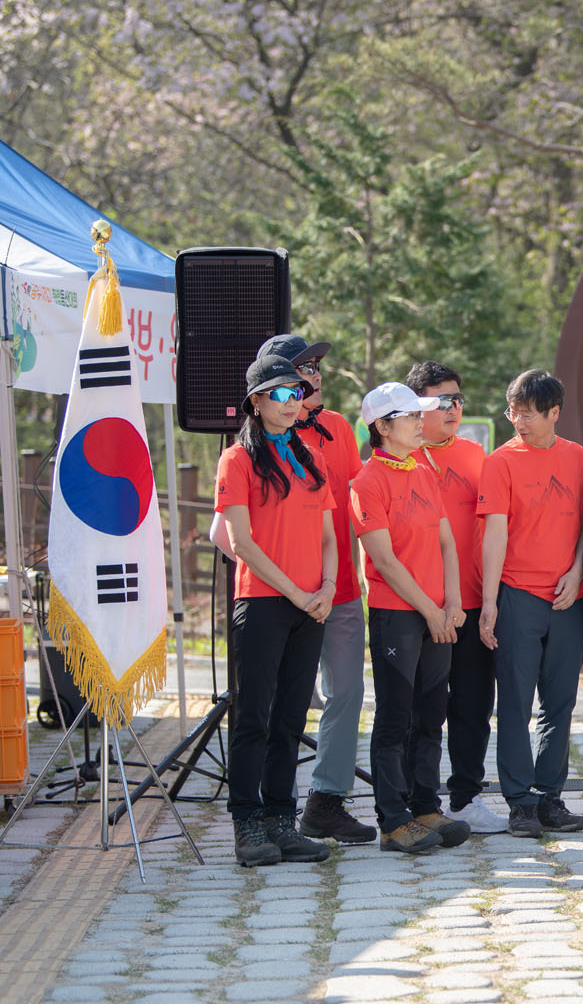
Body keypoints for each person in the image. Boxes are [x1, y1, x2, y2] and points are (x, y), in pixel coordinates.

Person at [214, 355, 337, 867]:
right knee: (254, 719)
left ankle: (282, 822)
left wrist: (328, 586)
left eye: (297, 392)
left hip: (311, 605)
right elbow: (241, 543)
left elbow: (329, 535)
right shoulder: (237, 460)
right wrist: (297, 593)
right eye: (282, 394)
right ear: (256, 402)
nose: (293, 402)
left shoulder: (313, 456)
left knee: (290, 718)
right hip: (263, 603)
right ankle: (248, 823)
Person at [254, 334, 374, 846]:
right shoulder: (254, 445)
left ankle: (325, 803)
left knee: (346, 693)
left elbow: (357, 506)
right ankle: (269, 809)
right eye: (305, 368)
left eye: (318, 366)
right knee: (281, 702)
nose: (316, 375)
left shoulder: (339, 428)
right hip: (279, 596)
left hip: (338, 590)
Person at [351, 383, 471, 854]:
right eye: (411, 416)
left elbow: (446, 542)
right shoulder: (366, 482)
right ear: (382, 427)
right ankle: (393, 820)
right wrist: (431, 610)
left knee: (431, 715)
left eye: (421, 415)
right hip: (398, 615)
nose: (422, 422)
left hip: (438, 614)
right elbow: (384, 561)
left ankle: (425, 806)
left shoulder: (422, 470)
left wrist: (453, 603)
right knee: (395, 718)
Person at [478, 370, 583, 836]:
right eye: (513, 412)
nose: (518, 421)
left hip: (568, 600)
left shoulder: (577, 457)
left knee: (560, 703)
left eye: (527, 413)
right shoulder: (500, 462)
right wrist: (489, 603)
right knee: (515, 703)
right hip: (517, 597)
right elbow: (495, 535)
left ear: (554, 412)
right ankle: (519, 802)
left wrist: (578, 571)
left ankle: (550, 797)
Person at [406, 361, 501, 834]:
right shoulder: (399, 458)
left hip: (471, 602)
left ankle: (466, 797)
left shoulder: (477, 456)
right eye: (442, 401)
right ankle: (415, 801)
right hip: (418, 606)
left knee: (473, 706)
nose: (453, 409)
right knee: (420, 711)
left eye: (457, 400)